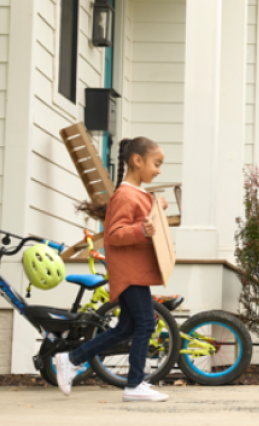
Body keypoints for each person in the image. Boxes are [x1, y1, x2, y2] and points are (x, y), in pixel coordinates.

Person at [56, 137, 170, 402]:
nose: (159, 170)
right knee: (145, 323)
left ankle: (71, 359)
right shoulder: (125, 195)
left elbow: (142, 221)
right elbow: (115, 234)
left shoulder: (137, 194)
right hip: (130, 272)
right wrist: (141, 229)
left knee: (127, 328)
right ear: (137, 160)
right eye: (156, 163)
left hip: (135, 270)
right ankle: (134, 384)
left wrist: (156, 209)